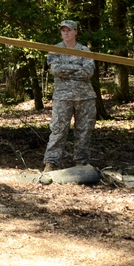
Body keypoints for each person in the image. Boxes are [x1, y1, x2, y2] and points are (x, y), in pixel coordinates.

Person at [43, 20, 97, 170]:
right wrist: (76, 68)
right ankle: (51, 162)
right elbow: (56, 70)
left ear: (75, 32)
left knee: (84, 130)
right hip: (63, 97)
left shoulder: (84, 50)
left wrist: (66, 70)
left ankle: (81, 162)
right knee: (58, 129)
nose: (65, 33)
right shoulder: (55, 50)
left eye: (69, 30)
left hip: (85, 96)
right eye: (63, 30)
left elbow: (88, 72)